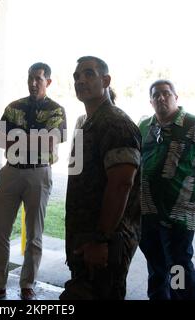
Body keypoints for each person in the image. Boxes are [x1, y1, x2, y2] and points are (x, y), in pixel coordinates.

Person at [0, 62, 67, 300]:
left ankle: (27, 285)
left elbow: (51, 142)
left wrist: (19, 137)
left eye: (38, 79)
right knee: (0, 231)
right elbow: (1, 141)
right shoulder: (13, 107)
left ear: (48, 82)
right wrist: (36, 138)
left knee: (34, 234)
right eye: (30, 78)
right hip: (11, 172)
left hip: (39, 173)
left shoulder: (57, 110)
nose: (33, 83)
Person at [59, 56, 141, 300]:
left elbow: (121, 184)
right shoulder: (90, 123)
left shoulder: (116, 124)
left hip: (105, 243)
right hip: (86, 240)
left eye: (89, 74)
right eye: (76, 76)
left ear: (106, 80)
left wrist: (101, 240)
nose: (80, 80)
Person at [138, 79, 195, 300]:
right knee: (156, 264)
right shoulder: (145, 127)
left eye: (166, 93)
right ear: (150, 101)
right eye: (156, 95)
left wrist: (184, 183)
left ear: (176, 97)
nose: (161, 98)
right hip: (147, 211)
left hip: (180, 214)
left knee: (178, 265)